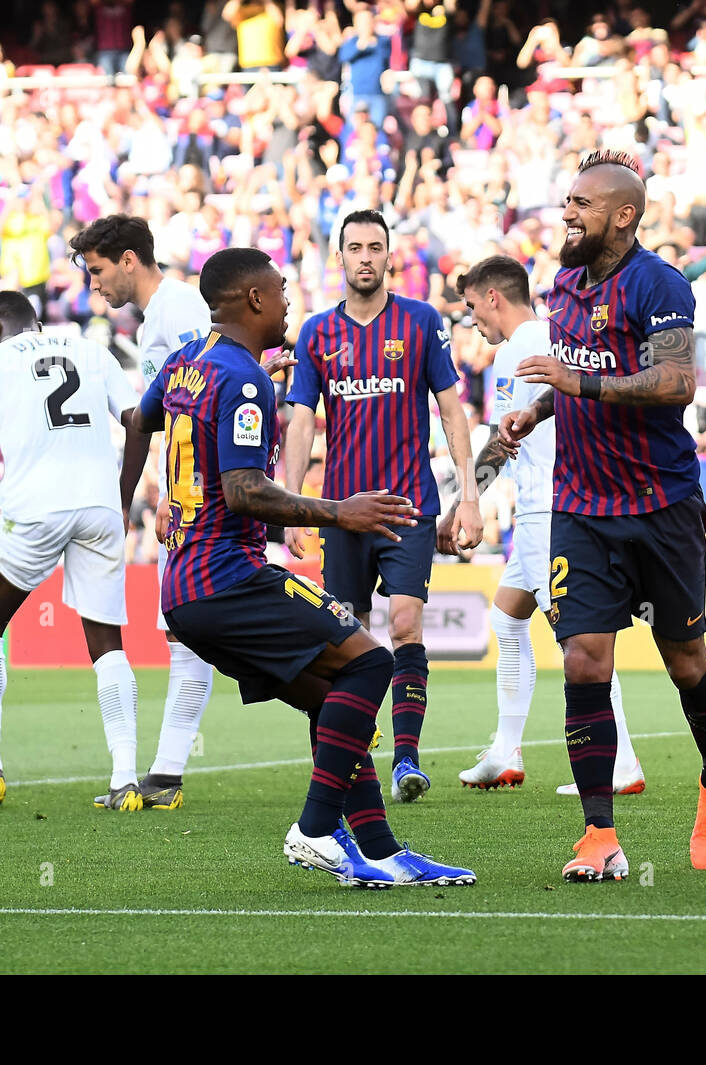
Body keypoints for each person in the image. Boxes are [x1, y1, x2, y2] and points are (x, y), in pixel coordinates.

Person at [134, 247, 474, 887]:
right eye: (280, 288)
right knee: (373, 661)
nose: (289, 298)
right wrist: (338, 512)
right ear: (254, 300)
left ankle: (377, 847)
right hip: (226, 577)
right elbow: (242, 491)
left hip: (181, 585)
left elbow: (140, 420)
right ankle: (315, 829)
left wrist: (144, 494)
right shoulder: (244, 379)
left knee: (330, 694)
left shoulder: (186, 363)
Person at [499, 150, 706, 881]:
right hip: (581, 506)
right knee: (583, 658)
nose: (566, 213)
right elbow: (573, 377)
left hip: (661, 503)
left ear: (623, 216)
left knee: (684, 658)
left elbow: (675, 382)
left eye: (582, 204)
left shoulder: (659, 284)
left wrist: (574, 381)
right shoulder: (563, 286)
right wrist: (540, 409)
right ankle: (599, 835)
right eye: (565, 201)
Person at [284, 210, 483, 804]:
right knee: (343, 634)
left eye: (375, 247)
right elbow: (299, 422)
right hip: (343, 513)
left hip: (408, 508)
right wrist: (296, 507)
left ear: (389, 257)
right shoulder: (318, 332)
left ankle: (406, 758)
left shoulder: (421, 322)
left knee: (403, 621)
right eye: (354, 248)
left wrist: (468, 495)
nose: (365, 257)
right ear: (339, 258)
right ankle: (346, 755)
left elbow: (452, 411)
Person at [0, 291, 150, 809]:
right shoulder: (91, 349)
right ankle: (125, 779)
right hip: (98, 508)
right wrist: (120, 501)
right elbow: (140, 420)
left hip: (34, 508)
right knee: (107, 643)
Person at [441, 255, 645, 794]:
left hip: (545, 513)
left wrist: (465, 500)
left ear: (493, 298)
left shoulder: (514, 352)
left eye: (472, 307)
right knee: (508, 620)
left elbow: (504, 442)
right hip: (558, 503)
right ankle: (505, 750)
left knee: (579, 639)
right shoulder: (556, 337)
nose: (473, 322)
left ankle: (620, 761)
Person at [69, 214, 216, 812]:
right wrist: (143, 493)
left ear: (130, 259)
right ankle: (166, 775)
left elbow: (205, 402)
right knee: (188, 632)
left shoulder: (178, 311)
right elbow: (158, 418)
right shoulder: (163, 315)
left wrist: (189, 490)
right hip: (188, 490)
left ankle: (340, 721)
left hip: (205, 492)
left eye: (99, 271)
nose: (94, 287)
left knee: (199, 630)